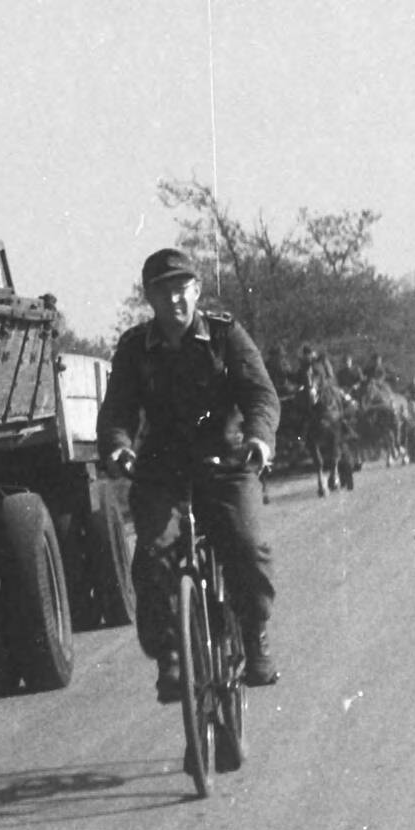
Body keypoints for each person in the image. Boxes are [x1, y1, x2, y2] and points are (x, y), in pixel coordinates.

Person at [99, 246, 282, 697]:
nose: (174, 300)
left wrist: (259, 438)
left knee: (247, 546)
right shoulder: (135, 348)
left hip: (226, 461)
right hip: (162, 470)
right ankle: (171, 655)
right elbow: (117, 410)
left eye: (182, 289)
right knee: (153, 555)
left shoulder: (225, 335)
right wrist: (119, 447)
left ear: (197, 291)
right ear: (149, 298)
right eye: (163, 292)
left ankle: (254, 636)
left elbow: (260, 394)